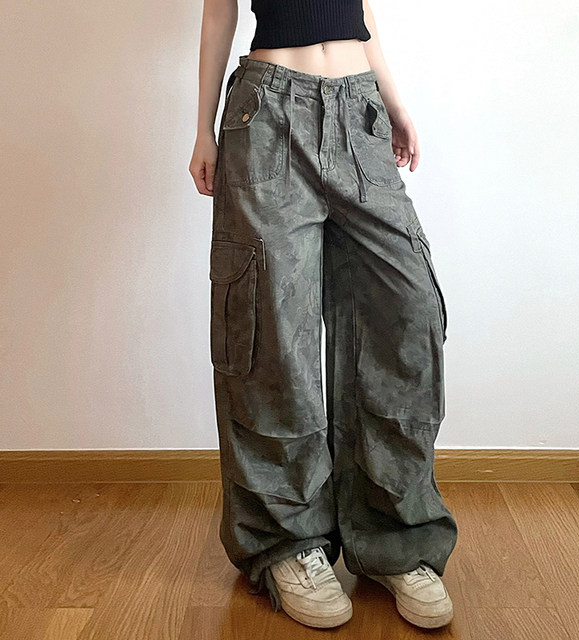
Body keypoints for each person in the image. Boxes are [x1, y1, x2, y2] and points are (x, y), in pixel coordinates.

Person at [189, 0, 458, 630]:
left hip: (358, 108)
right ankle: (289, 543)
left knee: (405, 313)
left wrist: (394, 102)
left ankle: (396, 539)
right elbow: (217, 13)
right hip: (267, 112)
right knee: (272, 333)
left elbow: (360, 12)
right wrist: (202, 129)